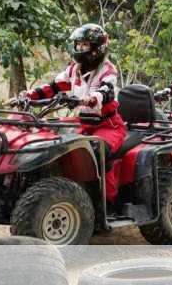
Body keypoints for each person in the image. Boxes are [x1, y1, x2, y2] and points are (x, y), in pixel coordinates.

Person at [18, 23, 126, 203]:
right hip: (81, 124)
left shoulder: (107, 70)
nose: (80, 48)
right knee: (55, 145)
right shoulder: (73, 70)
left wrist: (92, 98)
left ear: (96, 47)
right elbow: (52, 87)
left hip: (108, 126)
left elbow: (107, 91)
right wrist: (28, 95)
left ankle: (105, 199)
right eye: (78, 44)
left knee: (97, 152)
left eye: (84, 44)